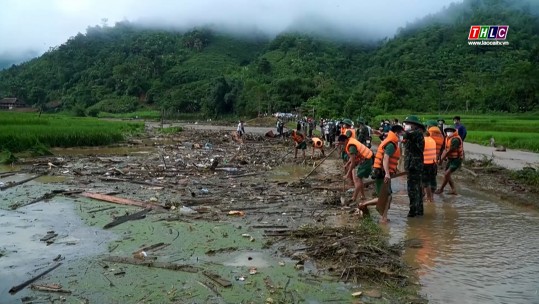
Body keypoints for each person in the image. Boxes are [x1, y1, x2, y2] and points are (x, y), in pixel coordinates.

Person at [358, 124, 404, 223]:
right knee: (385, 196)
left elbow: (389, 159)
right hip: (382, 173)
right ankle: (365, 205)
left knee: (388, 196)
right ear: (396, 133)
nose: (402, 136)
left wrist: (394, 170)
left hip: (382, 172)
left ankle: (383, 217)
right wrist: (387, 173)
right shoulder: (391, 144)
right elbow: (386, 158)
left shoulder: (391, 142)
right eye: (401, 134)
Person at [339, 130, 373, 204]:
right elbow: (352, 159)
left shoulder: (351, 147)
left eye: (342, 143)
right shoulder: (350, 142)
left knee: (357, 178)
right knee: (359, 179)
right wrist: (347, 163)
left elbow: (353, 162)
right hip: (365, 159)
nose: (343, 145)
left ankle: (353, 198)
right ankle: (363, 196)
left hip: (367, 160)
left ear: (345, 140)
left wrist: (347, 174)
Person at [402, 115, 425, 217]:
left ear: (414, 125)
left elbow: (406, 135)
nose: (406, 125)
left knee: (413, 190)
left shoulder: (417, 134)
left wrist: (397, 132)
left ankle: (413, 212)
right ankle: (418, 211)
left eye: (408, 124)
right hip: (413, 166)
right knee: (417, 189)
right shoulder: (413, 135)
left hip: (415, 166)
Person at [435, 125, 464, 195]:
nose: (448, 132)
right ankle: (453, 190)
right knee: (447, 175)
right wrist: (441, 158)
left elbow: (450, 150)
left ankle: (441, 189)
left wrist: (441, 160)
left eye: (450, 131)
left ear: (454, 132)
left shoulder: (455, 140)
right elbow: (445, 149)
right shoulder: (447, 138)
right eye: (447, 131)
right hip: (450, 159)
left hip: (457, 159)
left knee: (446, 174)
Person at [422, 127, 438, 203]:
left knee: (425, 182)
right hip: (433, 163)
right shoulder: (432, 140)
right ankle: (432, 196)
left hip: (425, 163)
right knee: (432, 180)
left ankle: (429, 198)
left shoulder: (423, 140)